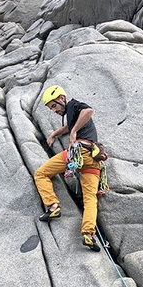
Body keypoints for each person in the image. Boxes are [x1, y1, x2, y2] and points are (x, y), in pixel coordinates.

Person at [34, 85, 102, 252]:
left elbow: (88, 111)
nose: (54, 110)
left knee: (41, 173)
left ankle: (53, 207)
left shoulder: (73, 105)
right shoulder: (71, 113)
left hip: (79, 152)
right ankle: (88, 234)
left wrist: (74, 133)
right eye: (51, 108)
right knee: (90, 199)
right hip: (94, 160)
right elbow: (68, 127)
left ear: (62, 98)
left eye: (54, 106)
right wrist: (54, 134)